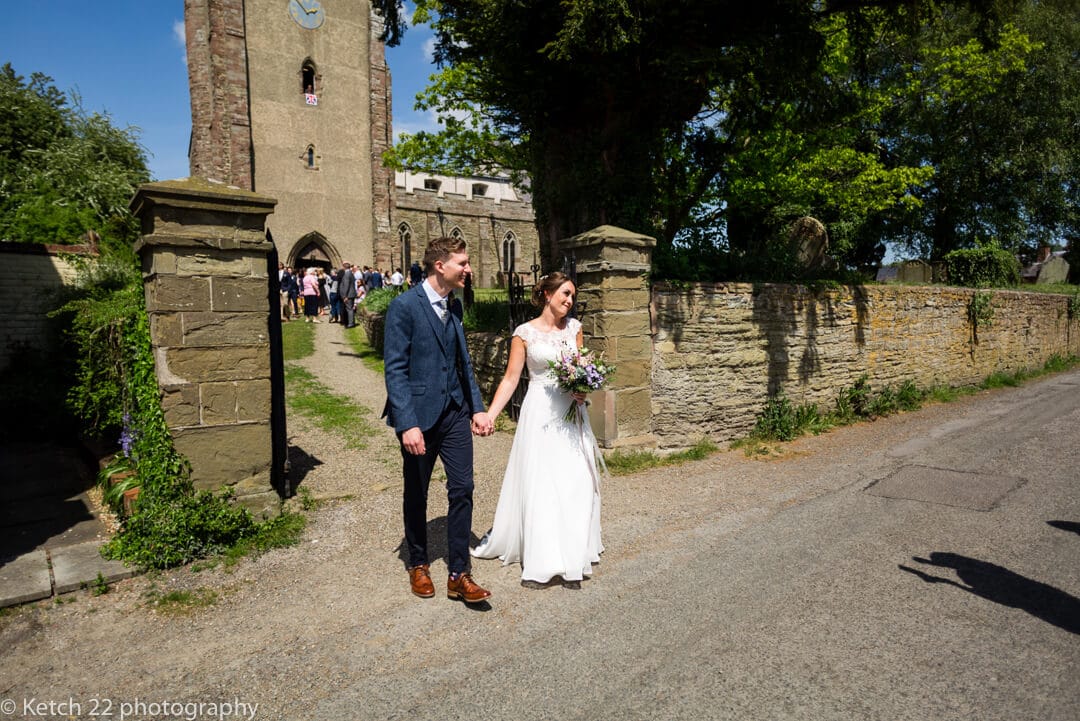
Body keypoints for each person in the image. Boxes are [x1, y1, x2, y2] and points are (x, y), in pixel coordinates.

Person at [471, 272, 603, 589]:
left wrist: (584, 390)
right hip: (541, 411)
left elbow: (582, 367)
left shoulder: (575, 329)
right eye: (565, 294)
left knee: (577, 479)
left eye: (572, 296)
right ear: (546, 293)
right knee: (544, 481)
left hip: (571, 412)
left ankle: (575, 549)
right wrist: (490, 415)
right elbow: (511, 378)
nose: (569, 300)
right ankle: (546, 557)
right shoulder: (524, 333)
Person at [382, 236, 495, 604]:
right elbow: (395, 369)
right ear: (439, 266)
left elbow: (462, 362)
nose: (468, 269)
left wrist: (477, 407)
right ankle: (418, 562)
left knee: (462, 488)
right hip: (419, 417)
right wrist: (406, 423)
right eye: (462, 263)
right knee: (417, 492)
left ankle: (459, 573)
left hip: (456, 413)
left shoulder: (455, 307)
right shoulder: (404, 307)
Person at [339, 262, 358, 328]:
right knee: (350, 308)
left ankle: (351, 323)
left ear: (344, 267)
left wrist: (345, 296)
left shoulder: (347, 274)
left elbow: (346, 285)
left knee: (349, 309)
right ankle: (351, 322)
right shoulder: (351, 273)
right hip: (351, 293)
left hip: (348, 294)